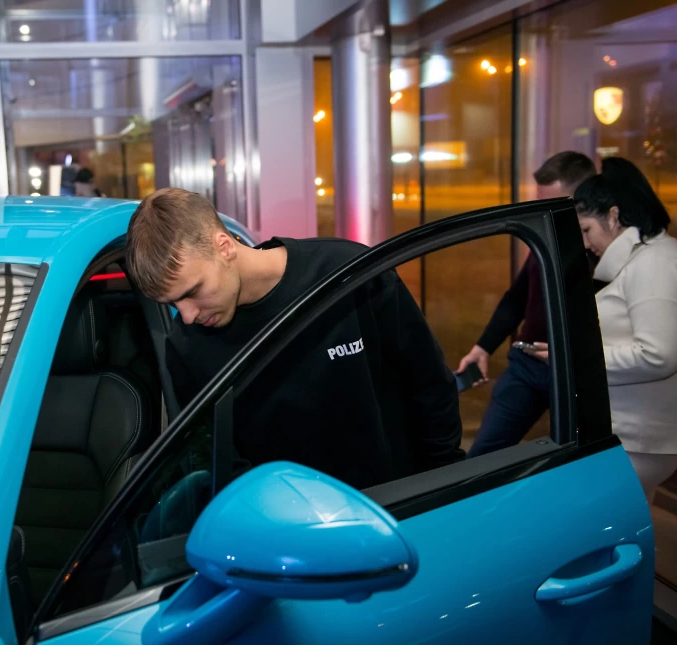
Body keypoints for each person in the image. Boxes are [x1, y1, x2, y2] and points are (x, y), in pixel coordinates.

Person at [126, 188, 464, 491]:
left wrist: (445, 483)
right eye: (173, 303)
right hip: (286, 528)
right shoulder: (186, 347)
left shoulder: (347, 273)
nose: (187, 316)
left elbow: (430, 384)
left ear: (224, 247)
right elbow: (213, 458)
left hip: (396, 505)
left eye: (193, 292)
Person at [544, 157, 676, 503]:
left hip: (640, 436)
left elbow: (658, 355)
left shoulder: (652, 263)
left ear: (614, 216)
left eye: (586, 229)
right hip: (636, 433)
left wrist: (575, 357)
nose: (585, 243)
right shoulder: (646, 259)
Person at [459, 151, 596, 458]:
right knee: (483, 456)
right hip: (526, 363)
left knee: (578, 459)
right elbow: (518, 297)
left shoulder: (601, 251)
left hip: (574, 370)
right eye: (539, 202)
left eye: (553, 204)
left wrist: (573, 354)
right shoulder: (546, 239)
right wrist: (483, 348)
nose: (543, 213)